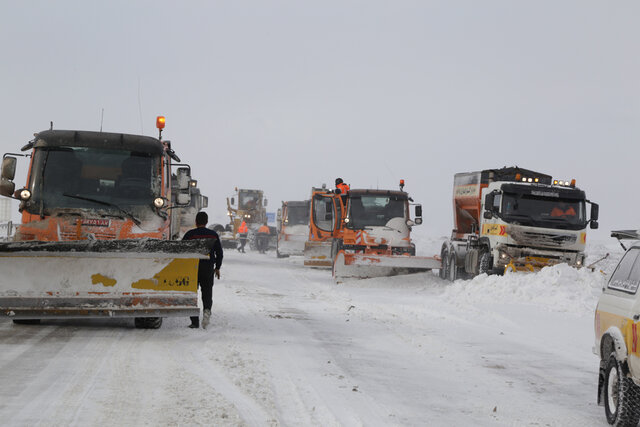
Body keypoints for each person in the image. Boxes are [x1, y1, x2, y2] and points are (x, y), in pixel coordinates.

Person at [182, 211, 223, 329]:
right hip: (208, 268)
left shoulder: (190, 234)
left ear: (196, 222)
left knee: (192, 293)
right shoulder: (213, 235)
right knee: (207, 292)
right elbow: (219, 253)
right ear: (206, 222)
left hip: (192, 269)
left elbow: (181, 250)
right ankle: (206, 312)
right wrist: (217, 267)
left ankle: (194, 321)